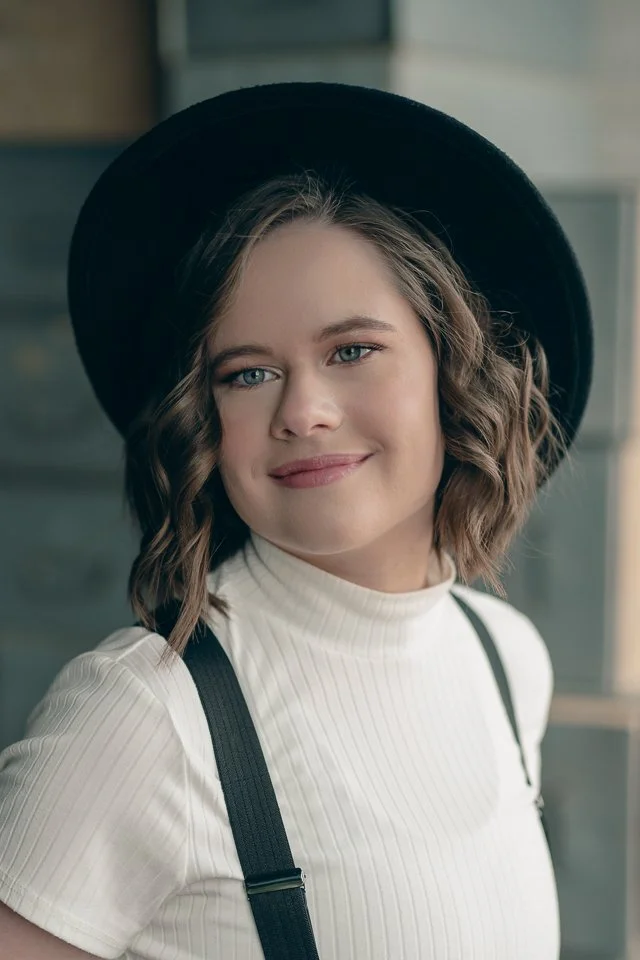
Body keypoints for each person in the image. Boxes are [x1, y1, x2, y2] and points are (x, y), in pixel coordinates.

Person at [0, 83, 592, 960]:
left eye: (352, 350)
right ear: (205, 420)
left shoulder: (506, 660)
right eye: (246, 372)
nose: (303, 409)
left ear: (454, 372)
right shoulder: (142, 716)